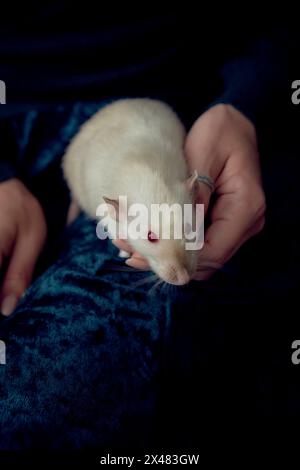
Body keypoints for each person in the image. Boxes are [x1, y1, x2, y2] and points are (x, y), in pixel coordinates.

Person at [0, 7, 294, 451]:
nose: (178, 272)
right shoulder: (111, 193)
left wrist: (245, 104)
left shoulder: (173, 185)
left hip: (182, 97)